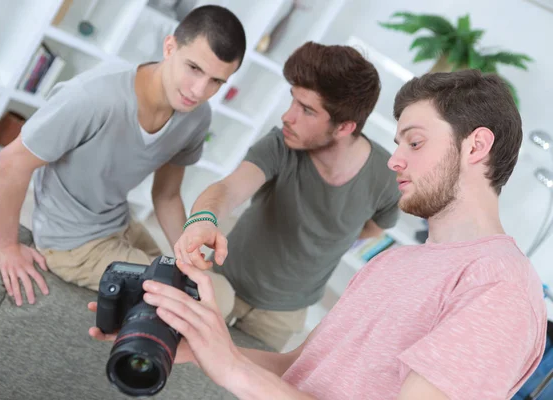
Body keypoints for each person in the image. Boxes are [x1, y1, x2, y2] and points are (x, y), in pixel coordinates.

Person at [90, 69, 547, 399]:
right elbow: (299, 371)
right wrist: (196, 346)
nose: (394, 160)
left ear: (477, 146)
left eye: (415, 141)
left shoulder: (499, 289)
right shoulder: (394, 262)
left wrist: (232, 368)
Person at [0, 5, 246, 306]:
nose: (199, 90)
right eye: (194, 68)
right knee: (214, 298)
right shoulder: (94, 97)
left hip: (120, 223)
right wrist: (6, 246)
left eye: (216, 81)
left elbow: (166, 195)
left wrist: (188, 250)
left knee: (205, 285)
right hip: (71, 243)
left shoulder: (196, 117)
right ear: (169, 47)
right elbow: (13, 161)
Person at [173, 41, 401, 350]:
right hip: (225, 281)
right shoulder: (281, 144)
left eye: (306, 110)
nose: (287, 117)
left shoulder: (386, 178)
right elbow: (229, 189)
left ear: (344, 127)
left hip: (284, 315)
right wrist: (202, 219)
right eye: (293, 101)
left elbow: (373, 229)